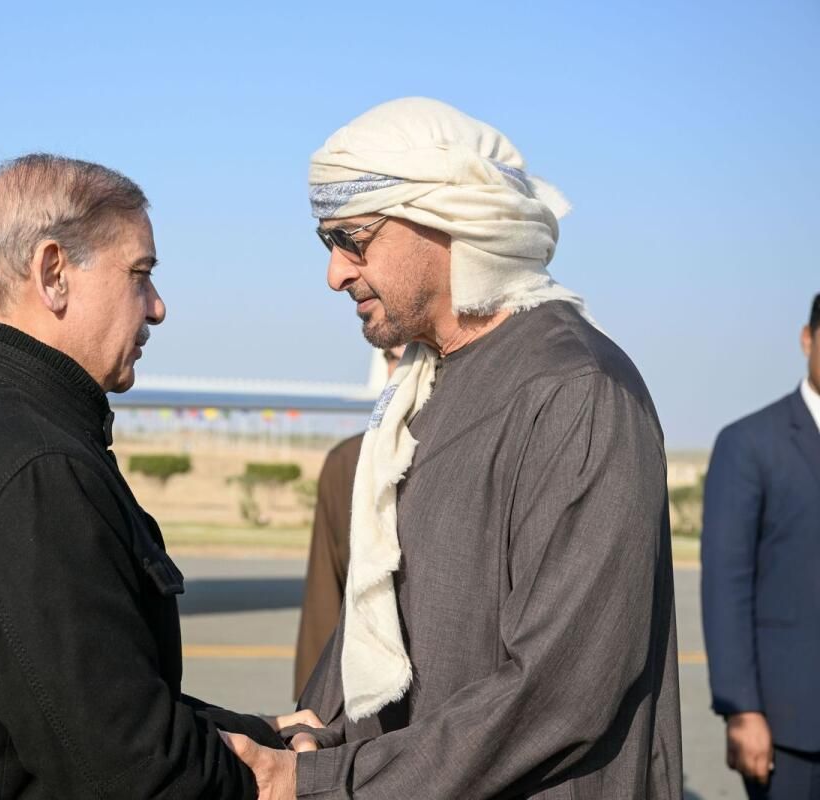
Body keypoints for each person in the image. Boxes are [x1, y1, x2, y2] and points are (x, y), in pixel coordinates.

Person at [222, 98, 683, 798]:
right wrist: (319, 732)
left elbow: (558, 694)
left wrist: (326, 781)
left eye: (352, 238)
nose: (335, 273)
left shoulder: (574, 393)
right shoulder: (420, 390)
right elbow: (378, 626)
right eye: (326, 243)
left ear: (446, 220)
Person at [0, 154, 318, 799]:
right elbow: (131, 768)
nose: (157, 307)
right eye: (140, 274)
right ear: (54, 274)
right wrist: (281, 781)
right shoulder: (32, 473)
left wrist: (256, 734)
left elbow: (86, 704)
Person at [702, 293, 820, 798]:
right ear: (807, 339)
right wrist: (742, 708)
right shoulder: (749, 444)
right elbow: (727, 584)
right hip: (793, 726)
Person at [294, 347, 402, 698]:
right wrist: (315, 706)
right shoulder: (347, 464)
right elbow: (324, 596)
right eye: (392, 358)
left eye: (418, 353)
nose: (401, 371)